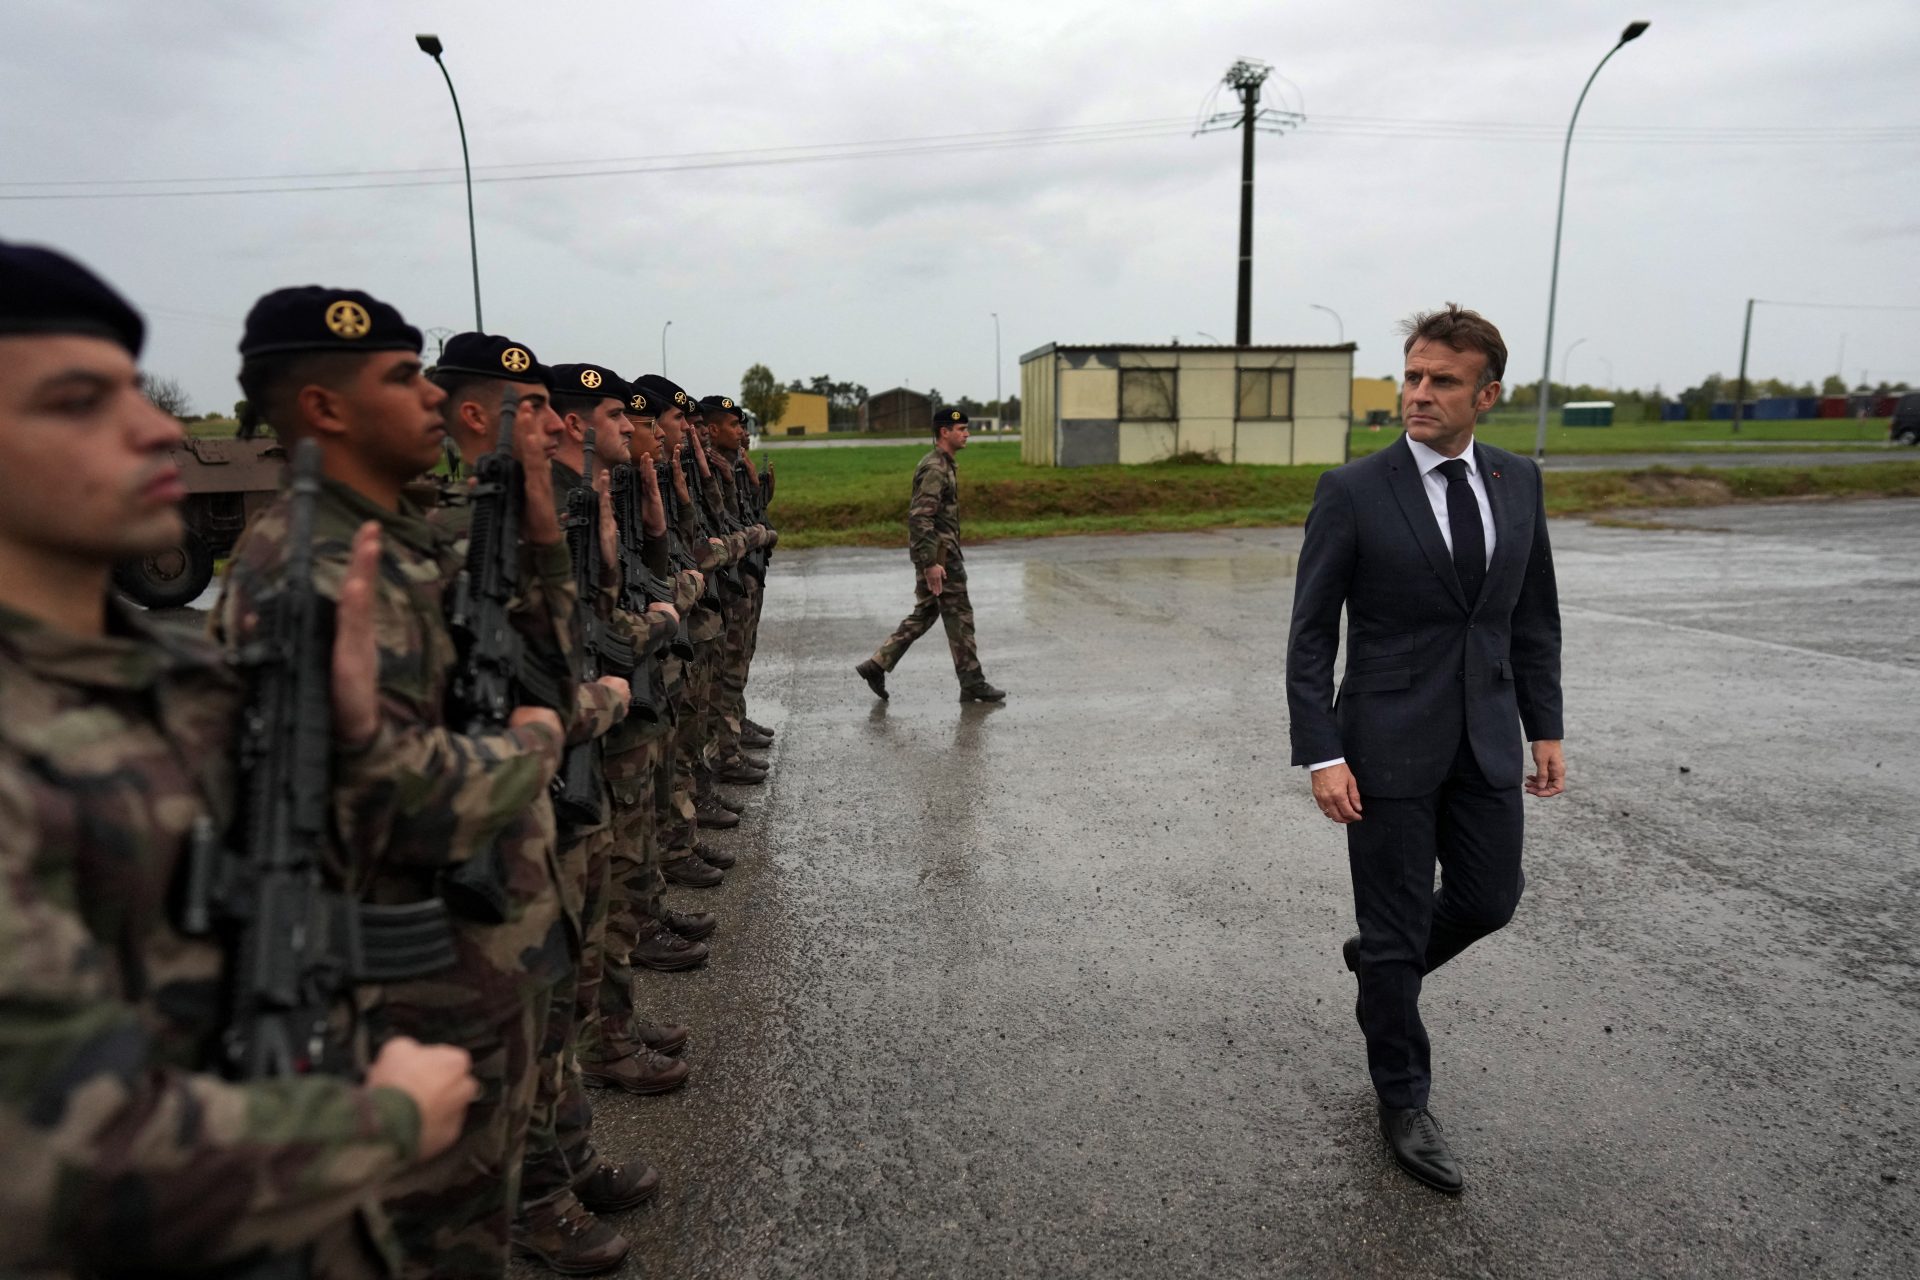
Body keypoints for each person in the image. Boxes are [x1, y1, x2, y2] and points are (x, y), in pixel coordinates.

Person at [0, 241, 477, 1278]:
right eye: (80, 400)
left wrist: (354, 737)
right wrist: (386, 1119)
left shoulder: (168, 673)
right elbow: (50, 1163)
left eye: (138, 389)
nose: (160, 426)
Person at [212, 289, 584, 1279]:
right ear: (325, 410)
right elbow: (384, 794)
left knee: (474, 1222)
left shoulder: (393, 538)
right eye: (400, 377)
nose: (430, 398)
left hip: (467, 952)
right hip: (409, 984)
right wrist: (533, 747)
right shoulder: (315, 567)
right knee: (433, 1238)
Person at [1284, 304, 1565, 1194]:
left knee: (1489, 900)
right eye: (1411, 376)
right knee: (1400, 925)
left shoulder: (1520, 482)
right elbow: (1310, 636)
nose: (1419, 394)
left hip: (1485, 738)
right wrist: (1321, 752)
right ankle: (1403, 1099)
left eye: (1441, 380)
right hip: (1383, 745)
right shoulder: (1355, 491)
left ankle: (1379, 966)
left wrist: (1545, 725)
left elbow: (1533, 618)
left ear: (1486, 394)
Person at [858, 408, 1004, 703]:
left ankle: (877, 664)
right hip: (941, 557)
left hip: (939, 553)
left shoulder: (944, 464)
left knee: (926, 612)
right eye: (961, 429)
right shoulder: (935, 468)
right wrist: (931, 563)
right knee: (959, 615)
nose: (967, 434)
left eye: (966, 429)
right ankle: (972, 681)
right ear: (944, 432)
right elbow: (920, 518)